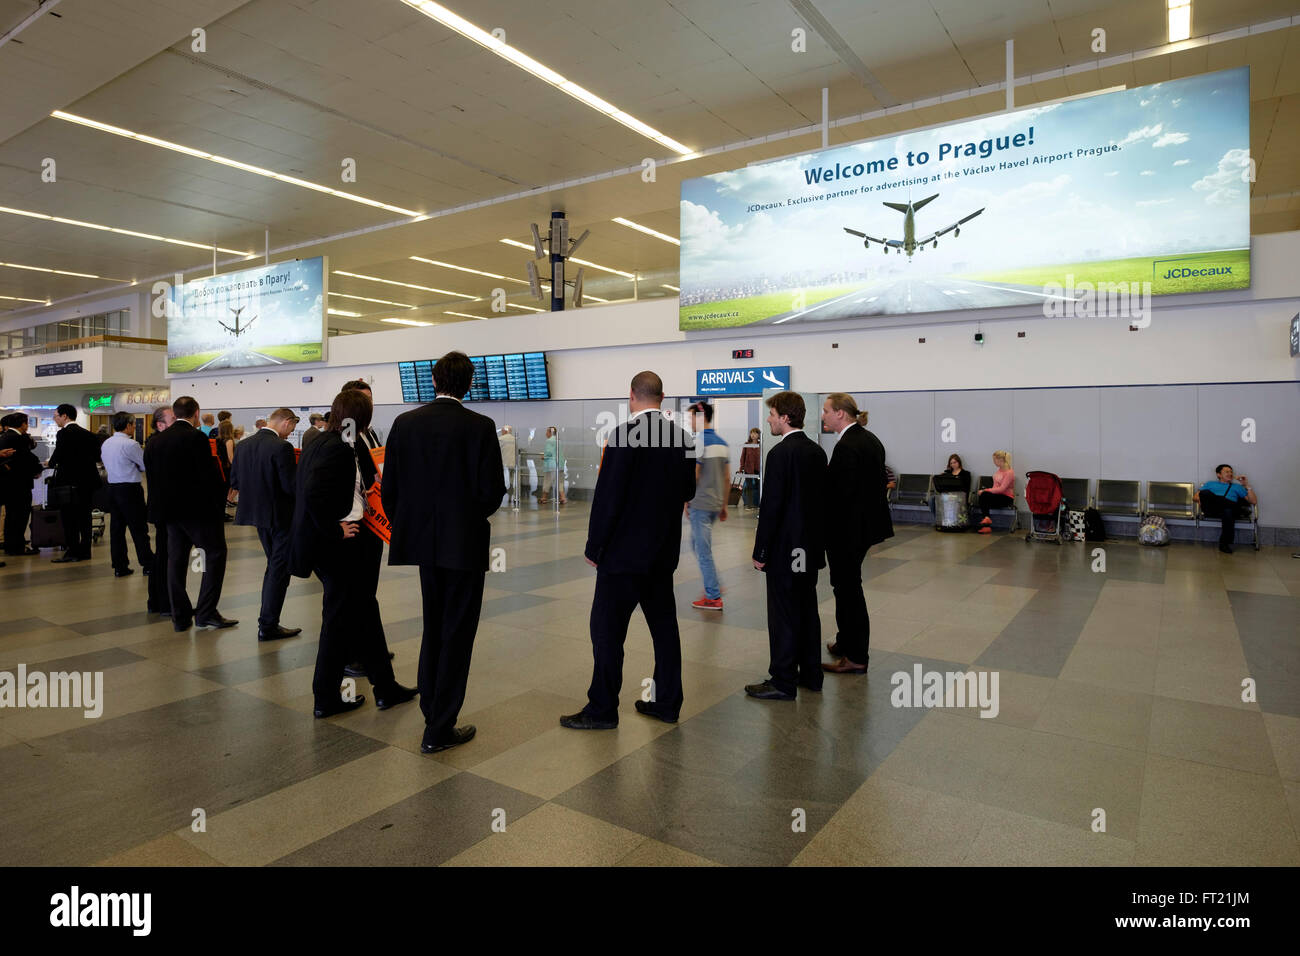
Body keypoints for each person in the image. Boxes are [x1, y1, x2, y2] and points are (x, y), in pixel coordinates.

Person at [382, 352, 505, 752]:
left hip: (421, 543)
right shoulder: (480, 427)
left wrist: (411, 523)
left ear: (434, 381)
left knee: (433, 624)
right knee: (458, 630)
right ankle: (440, 726)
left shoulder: (405, 424)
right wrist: (467, 518)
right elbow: (492, 490)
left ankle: (431, 707)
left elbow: (391, 489)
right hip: (464, 544)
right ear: (469, 384)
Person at [563, 371, 695, 730]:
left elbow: (608, 498)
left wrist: (595, 546)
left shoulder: (622, 435)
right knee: (665, 631)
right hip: (661, 556)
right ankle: (667, 703)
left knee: (607, 632)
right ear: (662, 397)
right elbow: (688, 491)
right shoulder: (683, 438)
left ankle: (602, 709)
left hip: (621, 558)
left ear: (631, 396)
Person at [290, 389, 417, 718]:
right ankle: (325, 697)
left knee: (364, 612)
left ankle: (385, 687)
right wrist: (336, 528)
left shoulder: (324, 439)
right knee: (337, 621)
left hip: (339, 548)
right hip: (338, 549)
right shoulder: (338, 448)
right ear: (364, 416)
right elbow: (313, 492)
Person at [746, 391, 827, 700]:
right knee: (806, 608)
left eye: (772, 414)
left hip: (784, 550)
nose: (768, 419)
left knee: (782, 613)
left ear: (786, 417)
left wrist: (761, 551)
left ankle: (782, 680)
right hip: (808, 548)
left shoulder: (780, 454)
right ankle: (811, 673)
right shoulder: (816, 452)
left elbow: (772, 507)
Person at [144, 396, 236, 631]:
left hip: (169, 513)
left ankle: (180, 615)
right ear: (196, 413)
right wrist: (220, 502)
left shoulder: (155, 441)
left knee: (175, 561)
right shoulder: (196, 438)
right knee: (214, 555)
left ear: (175, 414)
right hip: (197, 512)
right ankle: (206, 612)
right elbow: (206, 476)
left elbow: (152, 479)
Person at [819, 393, 892, 675]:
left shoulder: (848, 445)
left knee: (847, 590)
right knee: (847, 587)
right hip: (865, 525)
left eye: (826, 411)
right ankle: (844, 640)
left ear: (840, 413)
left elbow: (840, 494)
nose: (823, 415)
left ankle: (856, 656)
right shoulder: (868, 438)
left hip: (848, 529)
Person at [230, 408, 302, 641]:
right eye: (291, 428)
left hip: (257, 517)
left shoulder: (243, 445)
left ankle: (268, 621)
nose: (290, 433)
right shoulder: (282, 448)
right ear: (285, 422)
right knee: (278, 570)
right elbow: (290, 487)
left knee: (274, 566)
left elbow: (236, 481)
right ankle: (268, 625)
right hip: (280, 517)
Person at [685, 400, 729, 611]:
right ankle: (715, 584)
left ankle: (713, 596)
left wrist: (686, 500)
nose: (689, 422)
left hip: (700, 503)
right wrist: (724, 505)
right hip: (714, 504)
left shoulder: (697, 442)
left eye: (691, 417)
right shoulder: (722, 443)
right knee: (696, 545)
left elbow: (693, 475)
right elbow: (727, 478)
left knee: (702, 550)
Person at [100, 411, 154, 578]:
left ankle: (119, 565)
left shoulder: (106, 443)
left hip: (113, 488)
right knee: (138, 528)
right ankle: (148, 563)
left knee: (116, 529)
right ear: (129, 426)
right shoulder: (131, 445)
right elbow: (145, 465)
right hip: (130, 489)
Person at [47, 404, 102, 563]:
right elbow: (96, 456)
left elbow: (58, 456)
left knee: (69, 518)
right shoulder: (89, 434)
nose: (55, 418)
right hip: (88, 482)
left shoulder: (64, 434)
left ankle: (72, 551)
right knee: (85, 517)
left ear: (65, 416)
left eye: (56, 415)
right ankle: (85, 551)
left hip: (69, 483)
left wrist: (50, 463)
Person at [143, 406, 174, 616]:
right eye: (173, 418)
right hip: (164, 508)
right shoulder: (159, 444)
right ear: (160, 424)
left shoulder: (155, 442)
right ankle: (162, 602)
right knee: (165, 555)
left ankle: (157, 600)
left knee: (163, 554)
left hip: (160, 507)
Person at [1, 413, 42, 557]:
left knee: (11, 516)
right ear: (23, 424)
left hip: (9, 484)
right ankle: (17, 546)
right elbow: (26, 459)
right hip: (19, 483)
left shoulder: (5, 436)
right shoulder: (17, 438)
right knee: (20, 515)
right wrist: (37, 469)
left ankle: (10, 545)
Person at [1197, 464, 1257, 554]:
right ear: (1218, 474)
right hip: (1212, 510)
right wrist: (1200, 500)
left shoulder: (1237, 487)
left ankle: (1224, 544)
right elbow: (1195, 497)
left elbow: (1253, 501)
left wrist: (1246, 485)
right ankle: (1231, 504)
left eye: (1231, 472)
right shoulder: (1210, 484)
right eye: (1227, 472)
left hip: (1229, 511)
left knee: (1228, 511)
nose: (1230, 473)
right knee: (1205, 493)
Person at [976, 450, 1015, 533]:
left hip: (1006, 498)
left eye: (994, 460)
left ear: (1000, 460)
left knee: (984, 494)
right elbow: (995, 487)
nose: (994, 462)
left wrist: (986, 490)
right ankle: (986, 520)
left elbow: (1002, 489)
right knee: (983, 495)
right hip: (997, 496)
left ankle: (986, 523)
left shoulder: (1009, 472)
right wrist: (986, 492)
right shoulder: (999, 470)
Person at [930, 453, 972, 521]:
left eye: (955, 462)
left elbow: (966, 489)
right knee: (932, 499)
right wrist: (941, 477)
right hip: (947, 495)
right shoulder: (947, 474)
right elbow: (941, 489)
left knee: (949, 499)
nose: (953, 465)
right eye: (951, 463)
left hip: (959, 496)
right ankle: (937, 520)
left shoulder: (966, 474)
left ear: (959, 462)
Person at [341, 380, 382, 448]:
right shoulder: (345, 432)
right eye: (362, 400)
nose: (368, 403)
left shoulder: (369, 428)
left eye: (369, 399)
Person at [539, 426, 567, 505]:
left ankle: (544, 498)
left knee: (547, 481)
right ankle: (563, 498)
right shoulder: (559, 441)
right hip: (560, 464)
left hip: (551, 465)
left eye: (547, 432)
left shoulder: (549, 441)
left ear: (550, 432)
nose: (545, 433)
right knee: (560, 482)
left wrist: (544, 456)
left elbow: (549, 452)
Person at [738, 426, 761, 510]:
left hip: (758, 469)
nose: (753, 435)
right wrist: (741, 468)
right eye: (751, 433)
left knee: (759, 487)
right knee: (749, 487)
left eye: (755, 433)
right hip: (748, 469)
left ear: (758, 435)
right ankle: (749, 505)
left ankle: (759, 504)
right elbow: (742, 457)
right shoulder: (746, 444)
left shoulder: (760, 445)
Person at [498, 426, 516, 498]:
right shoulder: (515, 439)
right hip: (514, 464)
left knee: (503, 481)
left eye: (502, 431)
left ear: (505, 431)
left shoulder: (500, 439)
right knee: (513, 482)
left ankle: (502, 496)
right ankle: (513, 496)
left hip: (504, 463)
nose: (502, 432)